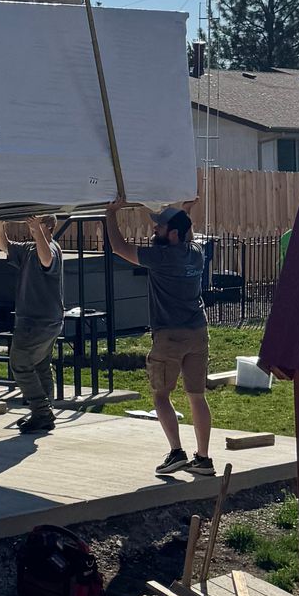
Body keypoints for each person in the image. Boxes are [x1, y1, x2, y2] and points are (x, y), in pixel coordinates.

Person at [104, 198, 213, 475]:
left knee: (161, 395)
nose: (154, 232)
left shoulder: (161, 258)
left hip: (169, 337)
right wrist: (186, 211)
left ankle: (177, 453)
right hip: (198, 333)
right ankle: (203, 459)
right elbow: (187, 231)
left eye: (159, 229)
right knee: (197, 396)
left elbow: (118, 248)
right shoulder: (197, 253)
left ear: (173, 234)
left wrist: (110, 214)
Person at [0, 215, 64, 435]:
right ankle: (45, 413)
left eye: (37, 222)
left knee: (20, 363)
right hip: (42, 319)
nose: (31, 225)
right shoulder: (28, 248)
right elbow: (3, 246)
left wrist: (38, 231)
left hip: (38, 321)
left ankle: (41, 411)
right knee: (41, 364)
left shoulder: (51, 247)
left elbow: (46, 261)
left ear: (49, 227)